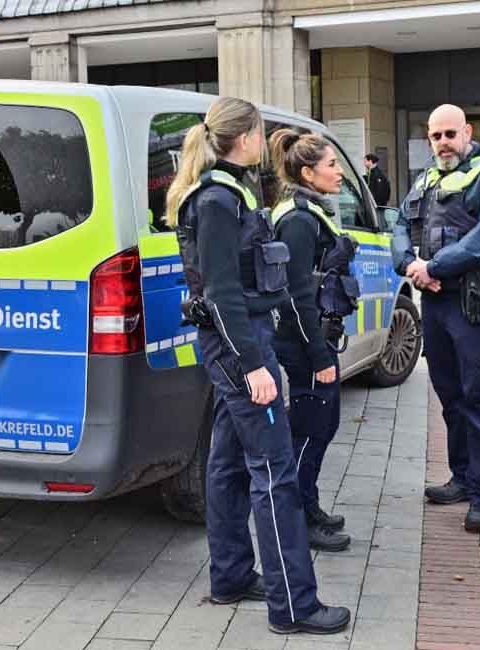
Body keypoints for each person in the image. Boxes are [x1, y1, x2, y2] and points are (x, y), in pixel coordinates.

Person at [165, 97, 350, 636]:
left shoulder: (224, 193)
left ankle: (230, 575)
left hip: (232, 345)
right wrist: (254, 366)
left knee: (225, 464)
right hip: (241, 347)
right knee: (275, 474)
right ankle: (293, 605)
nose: (262, 141)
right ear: (244, 137)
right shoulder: (219, 200)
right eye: (259, 132)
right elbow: (223, 293)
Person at [392, 104, 480, 533]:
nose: (442, 143)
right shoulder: (425, 180)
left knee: (478, 395)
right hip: (436, 302)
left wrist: (432, 267)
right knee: (449, 394)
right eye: (435, 136)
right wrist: (408, 264)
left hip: (473, 304)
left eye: (449, 134)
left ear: (467, 132)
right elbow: (401, 226)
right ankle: (460, 478)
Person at [269, 128, 359, 553]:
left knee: (321, 424)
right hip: (305, 344)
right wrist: (319, 353)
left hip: (311, 340)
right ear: (308, 172)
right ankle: (300, 519)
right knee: (310, 429)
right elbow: (297, 295)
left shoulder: (307, 212)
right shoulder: (299, 221)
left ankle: (310, 505)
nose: (339, 172)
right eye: (332, 165)